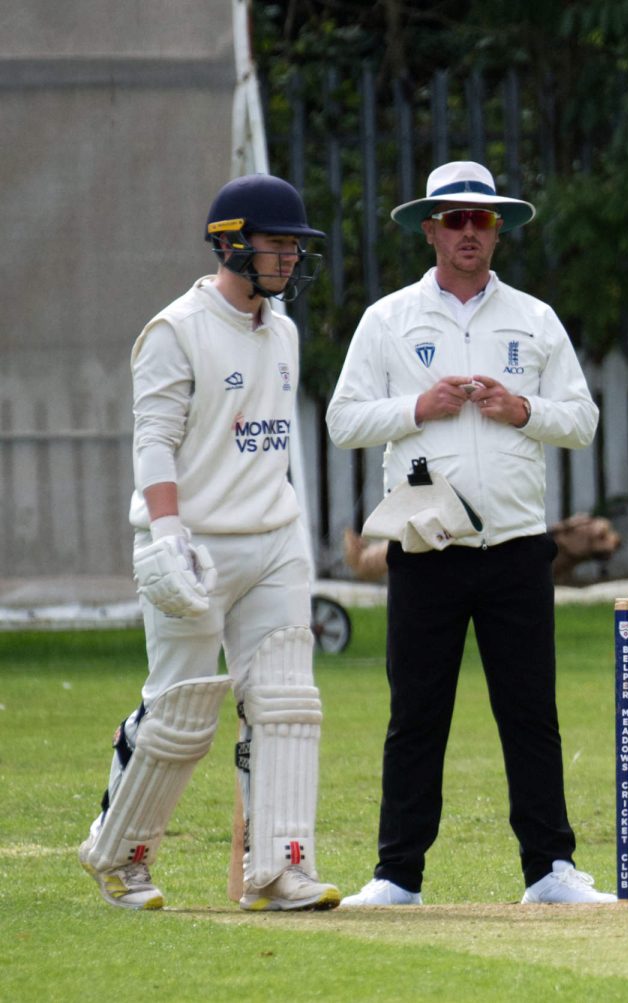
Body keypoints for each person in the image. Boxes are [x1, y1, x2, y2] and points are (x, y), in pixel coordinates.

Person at [327, 161, 615, 906]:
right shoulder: (389, 319)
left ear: (498, 231)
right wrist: (416, 407)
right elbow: (342, 420)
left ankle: (549, 870)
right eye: (453, 219)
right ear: (429, 229)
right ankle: (397, 876)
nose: (468, 232)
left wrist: (523, 411)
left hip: (517, 546)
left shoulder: (534, 318)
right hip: (426, 546)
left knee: (530, 712)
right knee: (417, 715)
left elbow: (582, 420)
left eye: (480, 220)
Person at [80, 174, 340, 912]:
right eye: (277, 243)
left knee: (286, 702)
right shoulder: (175, 330)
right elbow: (154, 440)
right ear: (231, 244)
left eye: (295, 245)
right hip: (192, 545)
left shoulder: (283, 330)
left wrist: (285, 530)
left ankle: (280, 869)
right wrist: (167, 533)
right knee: (181, 712)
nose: (289, 257)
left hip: (273, 539)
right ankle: (120, 857)